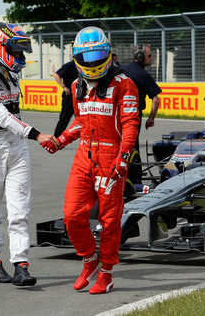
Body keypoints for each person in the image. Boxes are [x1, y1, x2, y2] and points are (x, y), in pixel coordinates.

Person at [42, 26, 140, 294]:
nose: (92, 63)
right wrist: (61, 140)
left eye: (97, 57)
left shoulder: (125, 84)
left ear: (107, 55)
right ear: (77, 58)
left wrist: (123, 157)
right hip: (84, 155)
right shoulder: (76, 86)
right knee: (72, 215)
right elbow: (80, 123)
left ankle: (106, 274)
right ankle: (89, 260)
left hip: (111, 157)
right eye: (86, 58)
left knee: (109, 219)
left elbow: (131, 124)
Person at [0, 22, 57, 286]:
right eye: (16, 50)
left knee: (19, 210)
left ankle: (21, 265)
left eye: (22, 50)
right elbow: (1, 116)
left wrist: (27, 136)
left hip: (17, 148)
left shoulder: (12, 76)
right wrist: (37, 134)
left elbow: (14, 116)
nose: (21, 56)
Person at [120, 44, 161, 183]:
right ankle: (135, 180)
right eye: (150, 56)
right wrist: (151, 118)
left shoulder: (120, 69)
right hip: (133, 116)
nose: (151, 59)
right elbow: (155, 99)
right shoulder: (143, 74)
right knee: (132, 146)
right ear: (141, 57)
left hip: (116, 115)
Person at [52, 59, 78, 137]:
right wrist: (64, 87)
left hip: (80, 97)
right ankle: (56, 139)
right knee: (64, 119)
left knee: (83, 120)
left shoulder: (84, 65)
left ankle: (87, 140)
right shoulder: (70, 65)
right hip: (69, 96)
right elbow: (56, 75)